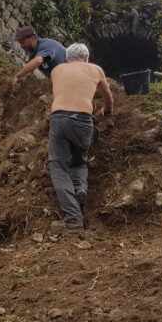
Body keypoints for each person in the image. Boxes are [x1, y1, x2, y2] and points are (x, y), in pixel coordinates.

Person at [47, 43, 114, 231]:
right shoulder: (96, 70)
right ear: (86, 58)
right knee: (79, 162)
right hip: (84, 121)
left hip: (60, 119)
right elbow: (108, 98)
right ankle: (80, 189)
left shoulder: (57, 69)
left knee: (58, 166)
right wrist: (107, 111)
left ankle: (73, 217)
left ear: (67, 59)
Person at [10, 26, 66, 90]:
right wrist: (19, 81)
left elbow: (38, 61)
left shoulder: (46, 45)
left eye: (23, 42)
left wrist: (18, 76)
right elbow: (29, 72)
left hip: (73, 78)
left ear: (32, 38)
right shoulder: (34, 54)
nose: (21, 46)